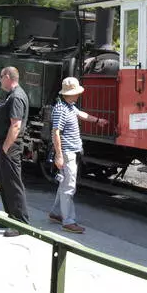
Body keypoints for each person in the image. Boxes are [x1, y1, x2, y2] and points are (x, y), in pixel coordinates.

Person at [49, 77, 108, 234]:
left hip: (69, 152)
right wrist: (59, 155)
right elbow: (55, 132)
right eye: (76, 93)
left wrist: (97, 120)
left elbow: (81, 114)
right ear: (70, 94)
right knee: (69, 186)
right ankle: (68, 221)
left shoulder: (69, 106)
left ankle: (56, 213)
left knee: (64, 184)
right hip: (67, 153)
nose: (79, 95)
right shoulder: (61, 109)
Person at [0, 66, 30, 237]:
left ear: (8, 76)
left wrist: (6, 147)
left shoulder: (17, 97)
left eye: (1, 77)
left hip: (10, 148)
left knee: (13, 183)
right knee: (4, 181)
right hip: (4, 146)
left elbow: (16, 125)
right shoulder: (10, 96)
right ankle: (11, 217)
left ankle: (21, 223)